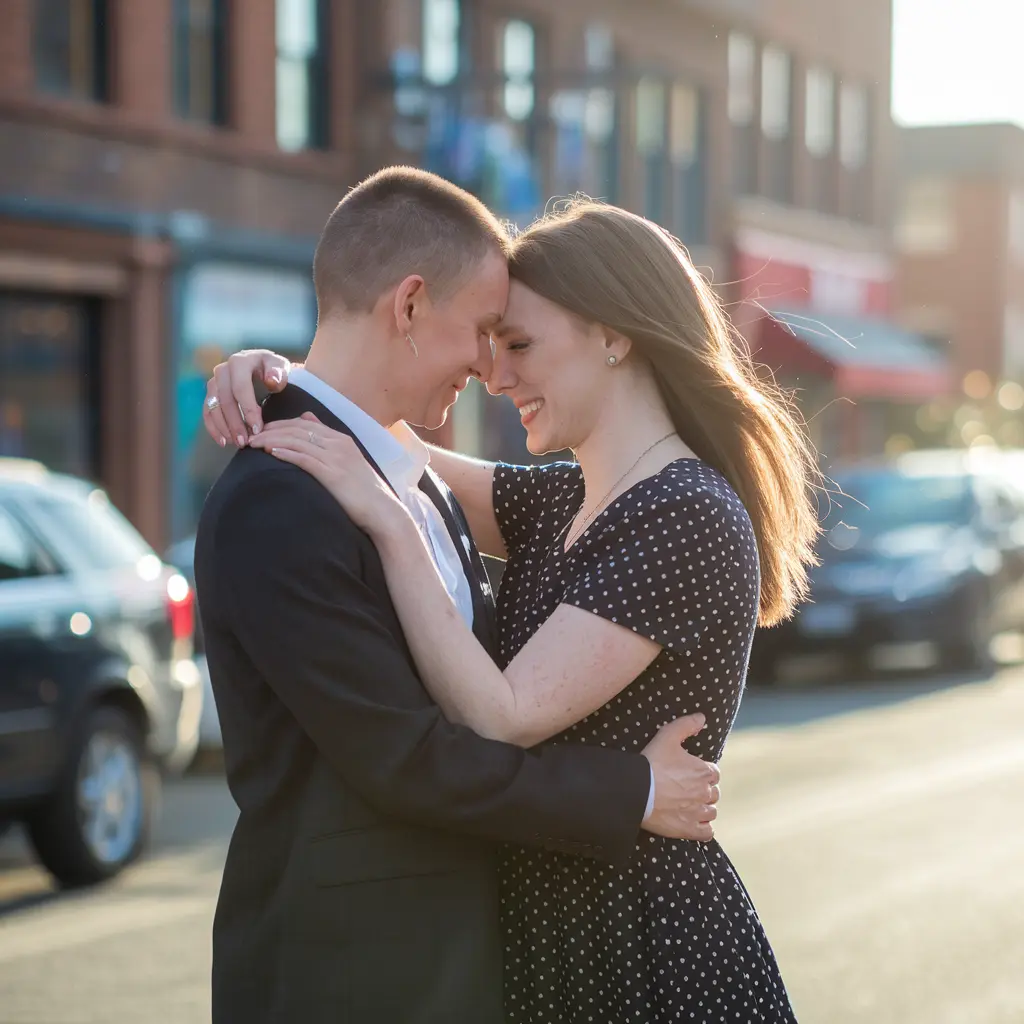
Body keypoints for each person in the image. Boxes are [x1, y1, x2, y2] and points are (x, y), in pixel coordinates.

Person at [211, 198, 819, 1021]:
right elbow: (384, 434)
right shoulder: (563, 499)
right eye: (489, 341)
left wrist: (390, 527)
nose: (496, 376)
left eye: (519, 343)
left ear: (614, 334)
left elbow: (502, 716)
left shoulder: (684, 513)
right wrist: (270, 376)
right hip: (537, 936)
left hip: (635, 939)